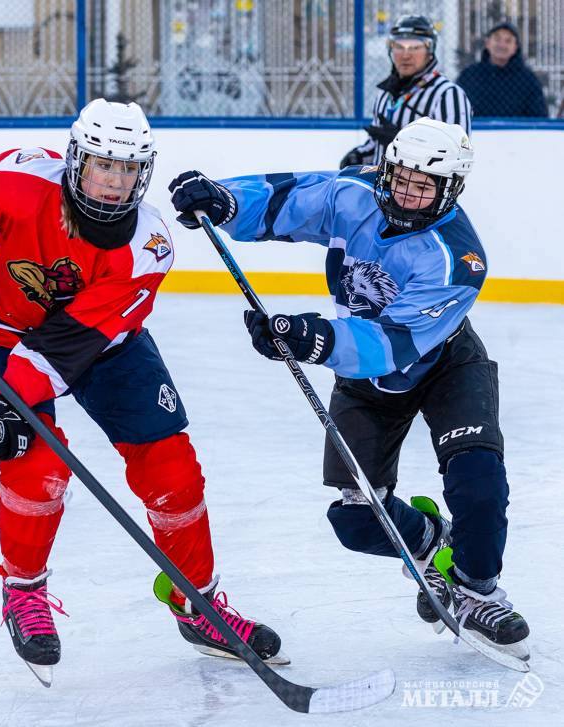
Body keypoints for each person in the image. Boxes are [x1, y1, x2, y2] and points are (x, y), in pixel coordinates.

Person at [0, 99, 286, 685]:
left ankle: (196, 602)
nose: (113, 182)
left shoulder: (147, 245)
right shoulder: (22, 177)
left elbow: (63, 346)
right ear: (76, 160)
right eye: (103, 166)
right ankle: (22, 591)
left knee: (172, 470)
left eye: (127, 170)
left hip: (104, 346)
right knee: (38, 458)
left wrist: (5, 409)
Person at [169, 117, 530, 662]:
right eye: (400, 178)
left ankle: (478, 590)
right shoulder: (355, 191)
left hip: (446, 364)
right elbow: (285, 201)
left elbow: (393, 343)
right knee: (356, 521)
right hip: (365, 382)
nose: (406, 194)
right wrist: (222, 200)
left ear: (449, 188)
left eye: (423, 186)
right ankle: (436, 544)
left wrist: (312, 338)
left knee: (478, 479)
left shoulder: (457, 258)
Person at [341, 15, 472, 169]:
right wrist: (359, 155)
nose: (405, 55)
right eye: (399, 46)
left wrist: (403, 143)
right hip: (380, 187)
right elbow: (376, 145)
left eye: (415, 47)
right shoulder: (385, 93)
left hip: (420, 190)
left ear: (430, 50)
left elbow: (456, 154)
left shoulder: (448, 95)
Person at [457, 22, 546, 118]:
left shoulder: (528, 80)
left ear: (515, 47)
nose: (502, 45)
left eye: (508, 41)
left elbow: (539, 117)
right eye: (497, 39)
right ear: (487, 43)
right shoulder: (469, 76)